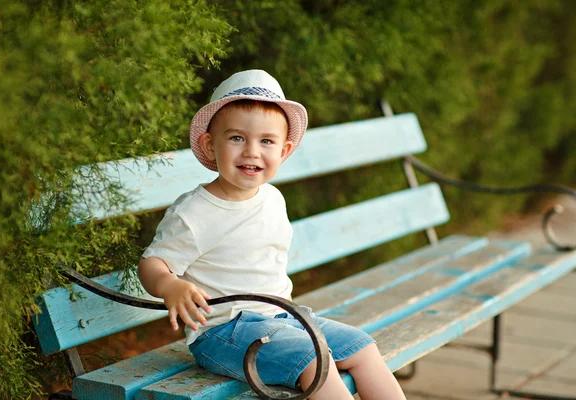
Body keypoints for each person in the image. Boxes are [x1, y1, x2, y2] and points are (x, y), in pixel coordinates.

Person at [138, 69, 406, 399]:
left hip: (284, 316)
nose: (252, 151)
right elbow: (153, 262)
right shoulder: (194, 212)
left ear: (283, 150)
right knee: (315, 363)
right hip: (223, 332)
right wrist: (169, 284)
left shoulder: (273, 198)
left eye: (266, 141)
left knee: (364, 349)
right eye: (237, 138)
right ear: (210, 145)